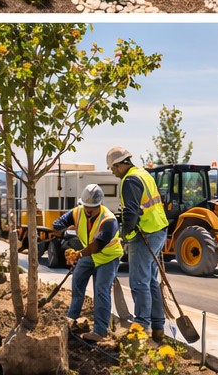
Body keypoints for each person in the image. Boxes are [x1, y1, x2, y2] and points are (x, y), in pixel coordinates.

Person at [106, 146, 169, 343]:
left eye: (113, 168)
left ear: (119, 164)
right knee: (150, 281)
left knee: (139, 282)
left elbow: (131, 213)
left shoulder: (130, 180)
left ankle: (142, 327)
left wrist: (125, 236)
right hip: (158, 230)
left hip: (146, 234)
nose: (113, 173)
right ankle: (158, 328)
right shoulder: (143, 174)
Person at [51, 183, 122, 342]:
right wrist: (63, 233)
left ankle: (100, 331)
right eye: (86, 206)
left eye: (93, 207)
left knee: (101, 289)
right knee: (77, 281)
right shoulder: (77, 213)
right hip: (89, 254)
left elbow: (97, 246)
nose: (88, 210)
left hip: (107, 257)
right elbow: (58, 224)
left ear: (100, 204)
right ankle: (71, 318)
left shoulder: (109, 220)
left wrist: (78, 254)